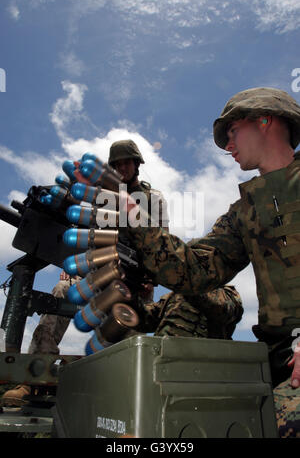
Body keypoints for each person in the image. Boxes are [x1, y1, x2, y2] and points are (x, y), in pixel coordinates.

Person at [1, 139, 243, 406]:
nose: (121, 168)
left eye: (126, 162)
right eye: (115, 164)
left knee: (128, 328)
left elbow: (160, 243)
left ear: (137, 164)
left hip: (136, 277)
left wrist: (148, 278)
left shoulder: (151, 200)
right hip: (99, 269)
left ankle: (129, 394)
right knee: (60, 291)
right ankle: (35, 379)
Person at [123, 87, 300, 438]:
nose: (227, 146)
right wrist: (134, 216)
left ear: (265, 119)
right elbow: (193, 270)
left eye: (232, 132)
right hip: (279, 360)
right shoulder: (243, 213)